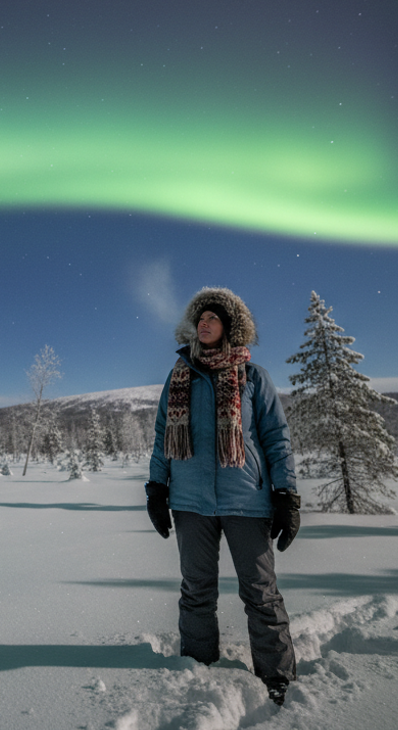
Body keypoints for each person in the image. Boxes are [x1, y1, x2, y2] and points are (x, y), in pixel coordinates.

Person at [145, 286, 301, 707]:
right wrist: (156, 487)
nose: (205, 323)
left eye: (213, 317)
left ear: (230, 326)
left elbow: (275, 438)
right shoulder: (179, 376)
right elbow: (163, 436)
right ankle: (198, 669)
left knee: (260, 592)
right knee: (196, 590)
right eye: (200, 318)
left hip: (246, 500)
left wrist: (286, 493)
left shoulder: (253, 377)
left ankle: (277, 675)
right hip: (190, 502)